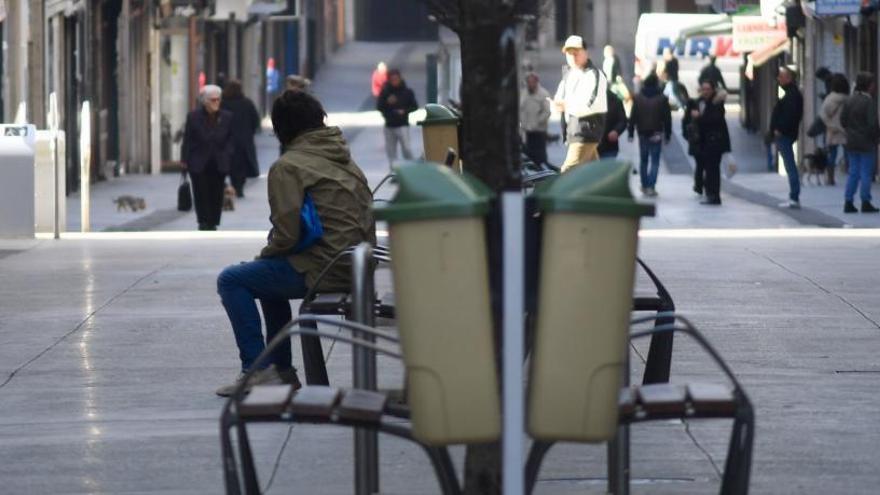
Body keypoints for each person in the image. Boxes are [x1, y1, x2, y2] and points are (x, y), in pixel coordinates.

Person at [215, 90, 376, 396]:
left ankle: (257, 371)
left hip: (325, 268)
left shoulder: (289, 165)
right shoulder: (342, 157)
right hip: (353, 264)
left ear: (282, 128)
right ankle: (281, 371)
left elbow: (286, 234)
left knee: (233, 280)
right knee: (263, 275)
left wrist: (265, 255)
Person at [181, 85, 234, 230]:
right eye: (212, 100)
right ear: (204, 101)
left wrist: (229, 154)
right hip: (198, 161)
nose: (216, 102)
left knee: (216, 192)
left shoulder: (227, 117)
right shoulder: (193, 117)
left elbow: (231, 139)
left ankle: (213, 221)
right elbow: (188, 139)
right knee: (200, 192)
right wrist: (184, 160)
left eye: (218, 99)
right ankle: (203, 221)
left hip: (219, 161)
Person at [554, 35, 608, 172]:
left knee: (567, 172)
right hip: (575, 130)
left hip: (585, 131)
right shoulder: (569, 75)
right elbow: (560, 98)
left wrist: (567, 106)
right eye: (569, 53)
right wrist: (557, 105)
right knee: (592, 174)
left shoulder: (594, 74)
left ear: (586, 52)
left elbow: (592, 103)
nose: (572, 57)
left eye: (576, 53)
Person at [682, 80, 730, 205]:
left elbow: (715, 119)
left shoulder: (717, 103)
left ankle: (714, 195)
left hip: (715, 142)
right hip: (704, 142)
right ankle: (710, 194)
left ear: (713, 90)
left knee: (713, 170)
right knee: (708, 169)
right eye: (703, 89)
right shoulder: (699, 102)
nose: (705, 91)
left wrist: (699, 117)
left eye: (708, 89)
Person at [840, 72, 880, 213]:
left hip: (851, 141)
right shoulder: (869, 102)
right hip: (866, 142)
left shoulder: (849, 100)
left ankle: (848, 201)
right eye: (873, 84)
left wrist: (851, 131)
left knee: (853, 172)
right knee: (866, 173)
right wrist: (876, 137)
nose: (874, 86)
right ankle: (865, 201)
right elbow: (872, 124)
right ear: (869, 85)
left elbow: (843, 120)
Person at [627, 73, 672, 196]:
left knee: (644, 160)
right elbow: (667, 118)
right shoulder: (662, 98)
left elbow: (633, 116)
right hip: (656, 132)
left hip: (642, 132)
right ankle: (651, 186)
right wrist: (668, 134)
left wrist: (630, 132)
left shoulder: (638, 97)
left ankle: (644, 184)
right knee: (655, 161)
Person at [770, 66, 804, 209]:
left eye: (781, 76)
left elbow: (791, 116)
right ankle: (793, 196)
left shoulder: (792, 95)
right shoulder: (791, 94)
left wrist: (779, 129)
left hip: (785, 135)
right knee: (789, 165)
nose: (778, 79)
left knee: (790, 166)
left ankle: (794, 196)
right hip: (785, 134)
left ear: (789, 78)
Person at [221, 79, 261, 198]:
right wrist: (250, 132)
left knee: (231, 164)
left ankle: (233, 186)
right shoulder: (247, 103)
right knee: (241, 165)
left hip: (228, 139)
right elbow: (256, 121)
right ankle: (239, 187)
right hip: (244, 140)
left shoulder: (223, 104)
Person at [377, 68, 419, 168]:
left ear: (400, 79)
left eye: (396, 79)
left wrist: (404, 111)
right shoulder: (385, 92)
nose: (394, 81)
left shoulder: (407, 92)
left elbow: (414, 106)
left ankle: (412, 169)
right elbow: (379, 107)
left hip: (402, 124)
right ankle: (394, 172)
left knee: (407, 149)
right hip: (389, 125)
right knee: (391, 151)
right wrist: (387, 102)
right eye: (392, 79)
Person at [819, 73, 849, 186]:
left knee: (832, 155)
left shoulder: (830, 99)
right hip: (845, 130)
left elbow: (823, 115)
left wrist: (830, 125)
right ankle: (851, 176)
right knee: (849, 155)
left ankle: (830, 178)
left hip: (832, 131)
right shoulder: (848, 99)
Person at [520, 72, 552, 166]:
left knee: (540, 157)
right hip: (526, 131)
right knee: (527, 155)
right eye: (528, 82)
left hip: (538, 131)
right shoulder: (523, 93)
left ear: (536, 82)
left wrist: (537, 122)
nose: (530, 84)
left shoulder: (543, 94)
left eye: (532, 82)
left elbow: (547, 112)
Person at [598, 90, 627, 160]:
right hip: (589, 146)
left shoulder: (614, 99)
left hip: (609, 146)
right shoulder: (585, 99)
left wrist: (616, 131)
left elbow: (623, 120)